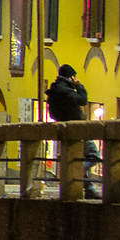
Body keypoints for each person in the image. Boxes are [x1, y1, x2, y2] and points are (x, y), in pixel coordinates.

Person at [44, 64, 96, 196]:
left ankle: (89, 189)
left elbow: (52, 114)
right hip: (78, 128)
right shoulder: (64, 91)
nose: (76, 78)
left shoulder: (54, 90)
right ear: (70, 77)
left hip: (66, 128)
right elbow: (83, 100)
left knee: (80, 157)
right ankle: (73, 172)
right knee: (94, 156)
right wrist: (79, 86)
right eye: (74, 76)